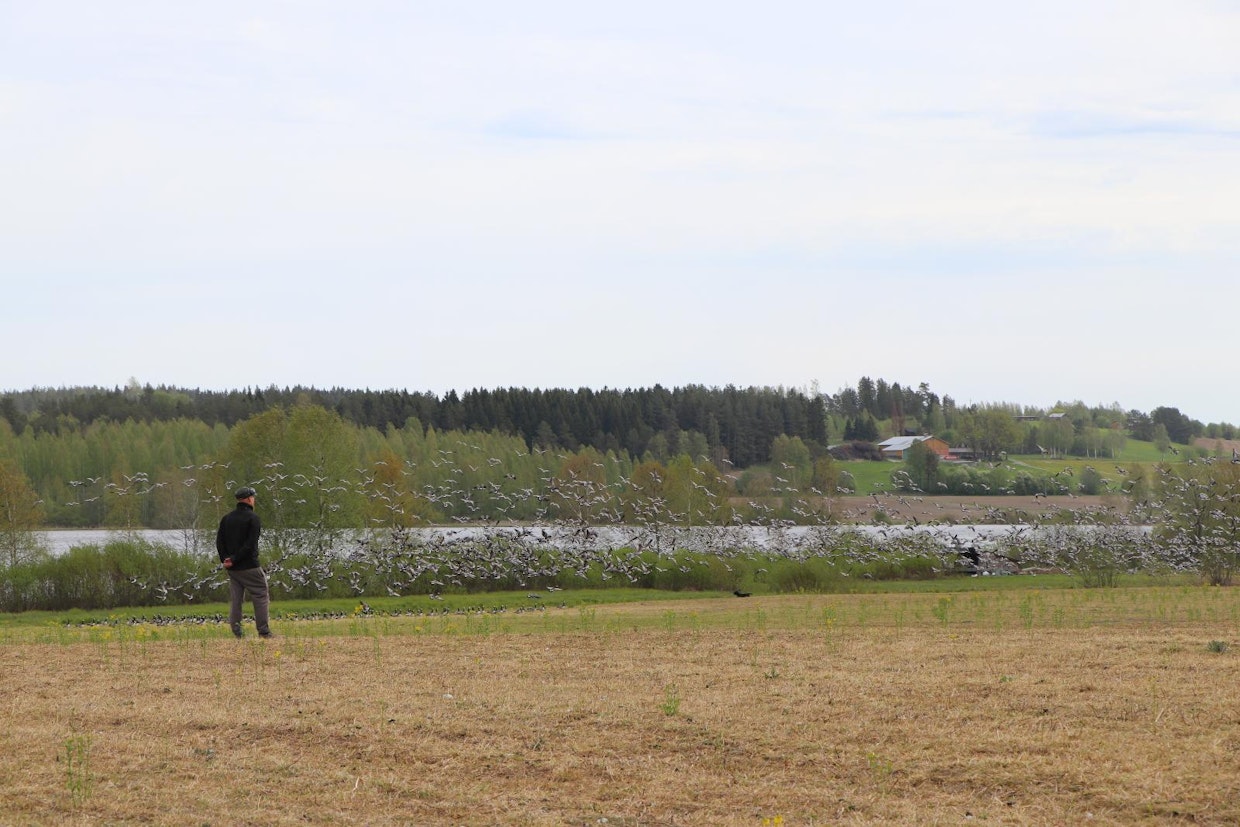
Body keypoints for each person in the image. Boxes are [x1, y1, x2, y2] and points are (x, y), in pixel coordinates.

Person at [216, 485, 272, 638]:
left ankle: (237, 632)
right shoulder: (253, 518)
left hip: (233, 569)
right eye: (253, 497)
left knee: (236, 600)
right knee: (260, 594)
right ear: (248, 499)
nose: (254, 500)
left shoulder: (226, 519)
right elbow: (250, 545)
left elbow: (219, 542)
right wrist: (235, 559)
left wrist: (226, 559)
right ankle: (264, 631)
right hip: (249, 566)